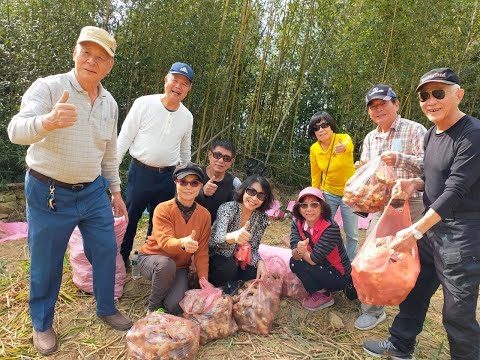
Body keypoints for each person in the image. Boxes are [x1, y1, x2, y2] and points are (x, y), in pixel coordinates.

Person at [7, 26, 132, 355]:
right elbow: (15, 130)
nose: (92, 61)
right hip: (49, 191)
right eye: (86, 52)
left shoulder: (109, 103)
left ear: (109, 65)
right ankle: (42, 324)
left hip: (93, 191)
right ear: (75, 53)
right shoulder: (49, 88)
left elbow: (109, 152)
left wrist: (115, 190)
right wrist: (47, 122)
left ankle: (106, 307)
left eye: (100, 57)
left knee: (105, 249)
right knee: (46, 263)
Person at [364, 68, 480, 360]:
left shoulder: (472, 134)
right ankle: (401, 345)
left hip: (462, 233)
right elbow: (434, 180)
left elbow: (456, 190)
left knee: (456, 310)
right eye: (425, 95)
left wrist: (414, 230)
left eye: (439, 93)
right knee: (416, 289)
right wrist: (413, 183)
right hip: (434, 228)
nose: (431, 100)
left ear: (459, 95)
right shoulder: (431, 134)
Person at [354, 84, 427, 331]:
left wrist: (400, 159)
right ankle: (374, 310)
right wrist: (362, 170)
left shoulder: (415, 130)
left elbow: (432, 166)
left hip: (412, 202)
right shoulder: (370, 138)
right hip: (380, 205)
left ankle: (410, 309)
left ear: (396, 104)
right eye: (373, 106)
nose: (378, 109)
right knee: (373, 256)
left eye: (383, 103)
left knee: (408, 257)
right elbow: (369, 170)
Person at [117, 62, 194, 270]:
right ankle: (121, 260)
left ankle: (148, 261)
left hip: (167, 177)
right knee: (130, 217)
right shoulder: (143, 103)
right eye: (175, 80)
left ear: (189, 89)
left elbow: (185, 151)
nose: (178, 86)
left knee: (159, 222)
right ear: (165, 80)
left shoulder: (187, 117)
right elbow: (124, 137)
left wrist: (187, 180)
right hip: (140, 172)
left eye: (184, 83)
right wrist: (110, 170)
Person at [137, 162, 211, 315]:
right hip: (152, 259)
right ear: (176, 183)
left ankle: (166, 294)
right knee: (165, 265)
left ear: (200, 186)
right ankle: (153, 307)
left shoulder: (204, 215)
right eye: (183, 182)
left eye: (194, 183)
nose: (188, 187)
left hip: (180, 267)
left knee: (174, 306)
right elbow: (165, 242)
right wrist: (182, 243)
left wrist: (204, 280)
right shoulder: (163, 209)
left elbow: (202, 252)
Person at [289, 187, 353, 310]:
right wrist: (298, 251)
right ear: (299, 209)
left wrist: (301, 252)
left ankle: (324, 295)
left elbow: (313, 260)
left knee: (301, 264)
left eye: (314, 205)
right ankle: (319, 289)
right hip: (321, 266)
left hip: (338, 274)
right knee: (294, 262)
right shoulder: (297, 223)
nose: (309, 209)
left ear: (322, 207)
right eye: (304, 205)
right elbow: (295, 253)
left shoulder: (330, 228)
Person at [208, 174, 274, 290]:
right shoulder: (228, 208)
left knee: (253, 273)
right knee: (228, 269)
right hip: (217, 254)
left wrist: (260, 262)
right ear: (244, 190)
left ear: (265, 200)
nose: (254, 198)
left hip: (240, 258)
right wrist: (232, 237)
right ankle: (224, 286)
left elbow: (253, 247)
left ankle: (233, 286)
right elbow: (215, 240)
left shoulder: (262, 219)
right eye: (251, 191)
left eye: (261, 195)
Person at [308, 111, 358, 260]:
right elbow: (316, 174)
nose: (321, 129)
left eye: (325, 125)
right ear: (313, 132)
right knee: (324, 228)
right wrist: (314, 195)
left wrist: (343, 148)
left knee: (352, 233)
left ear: (331, 126)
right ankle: (326, 259)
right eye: (317, 128)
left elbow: (349, 145)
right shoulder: (314, 149)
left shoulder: (342, 138)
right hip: (328, 192)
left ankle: (350, 264)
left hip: (350, 193)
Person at [196, 139, 241, 224]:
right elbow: (179, 198)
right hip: (190, 227)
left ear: (232, 161)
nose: (221, 161)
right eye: (217, 155)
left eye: (226, 158)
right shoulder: (195, 174)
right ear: (209, 155)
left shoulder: (235, 183)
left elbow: (238, 211)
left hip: (217, 232)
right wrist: (202, 192)